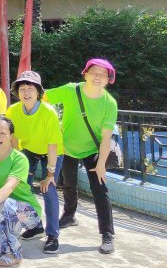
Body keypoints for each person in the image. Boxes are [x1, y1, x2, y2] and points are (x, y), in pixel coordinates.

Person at [44, 58, 119, 254]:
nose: (98, 77)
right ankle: (69, 215)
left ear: (108, 80)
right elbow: (43, 97)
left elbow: (106, 137)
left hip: (93, 149)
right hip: (67, 146)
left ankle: (107, 234)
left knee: (100, 189)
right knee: (68, 182)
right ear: (85, 74)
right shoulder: (71, 90)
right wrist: (50, 118)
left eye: (103, 74)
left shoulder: (109, 103)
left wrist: (101, 164)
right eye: (94, 72)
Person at [6, 70, 64, 254]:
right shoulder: (13, 110)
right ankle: (35, 224)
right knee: (23, 186)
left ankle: (53, 235)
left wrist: (49, 175)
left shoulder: (48, 112)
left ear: (38, 91)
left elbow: (53, 145)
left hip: (52, 152)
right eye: (22, 88)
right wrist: (18, 162)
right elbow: (13, 138)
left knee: (49, 189)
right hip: (28, 150)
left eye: (30, 87)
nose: (26, 91)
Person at [0, 115, 43, 268]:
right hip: (1, 204)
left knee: (4, 204)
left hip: (28, 213)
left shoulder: (19, 159)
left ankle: (14, 253)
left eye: (3, 133)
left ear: (11, 135)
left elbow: (9, 186)